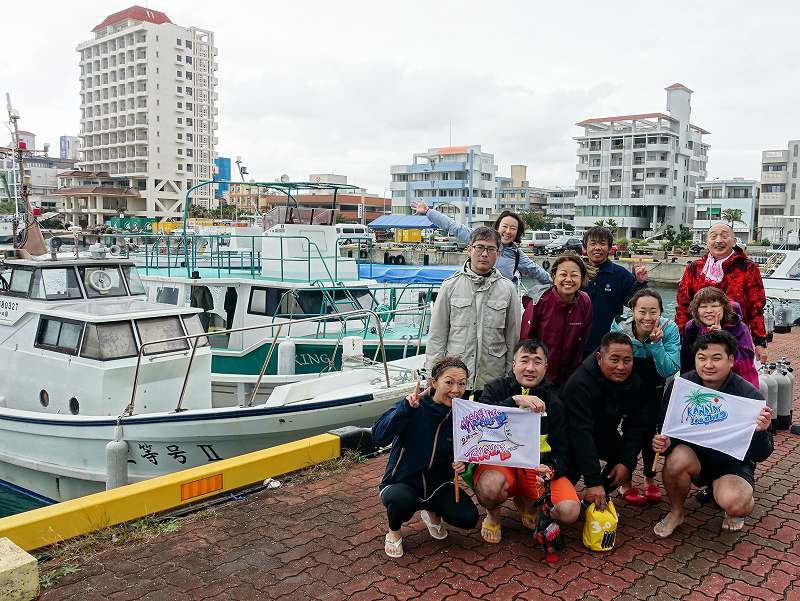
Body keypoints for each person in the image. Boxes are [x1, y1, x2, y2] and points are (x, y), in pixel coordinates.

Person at [652, 330, 773, 538]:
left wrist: (761, 432)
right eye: (702, 358)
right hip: (695, 458)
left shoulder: (749, 395)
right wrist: (664, 444)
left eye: (716, 358)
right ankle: (677, 512)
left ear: (731, 360)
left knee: (736, 503)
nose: (708, 365)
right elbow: (666, 429)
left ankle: (730, 497)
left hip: (731, 464)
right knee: (675, 459)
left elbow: (761, 454)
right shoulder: (681, 387)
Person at [472, 339, 580, 544]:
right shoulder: (495, 388)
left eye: (537, 362)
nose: (530, 368)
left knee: (569, 511)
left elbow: (563, 451)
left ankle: (530, 503)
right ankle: (493, 515)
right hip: (501, 464)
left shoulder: (555, 401)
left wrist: (551, 468)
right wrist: (512, 402)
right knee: (490, 488)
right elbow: (478, 423)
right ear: (513, 365)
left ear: (546, 367)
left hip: (534, 469)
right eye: (524, 361)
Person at [374, 357, 479, 558]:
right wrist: (403, 409)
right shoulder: (414, 406)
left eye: (462, 383)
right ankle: (393, 533)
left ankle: (431, 512)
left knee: (468, 518)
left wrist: (463, 462)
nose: (456, 389)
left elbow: (471, 446)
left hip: (438, 484)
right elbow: (378, 436)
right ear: (433, 382)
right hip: (402, 482)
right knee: (401, 501)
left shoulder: (464, 414)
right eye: (449, 382)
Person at [425, 227, 521, 397]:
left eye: (491, 249)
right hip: (456, 379)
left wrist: (510, 377)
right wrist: (433, 376)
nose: (484, 254)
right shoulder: (450, 286)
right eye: (479, 247)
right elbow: (437, 336)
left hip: (492, 379)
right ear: (469, 249)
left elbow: (512, 337)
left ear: (498, 253)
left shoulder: (508, 289)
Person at [562, 331, 648, 509]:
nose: (621, 367)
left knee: (625, 458)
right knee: (565, 496)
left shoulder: (636, 382)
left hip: (603, 432)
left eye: (627, 360)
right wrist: (592, 480)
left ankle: (593, 499)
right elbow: (580, 432)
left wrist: (626, 462)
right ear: (599, 357)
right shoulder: (579, 384)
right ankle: (563, 494)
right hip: (569, 437)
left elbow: (637, 426)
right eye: (614, 360)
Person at [610, 289, 680, 504]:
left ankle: (650, 478)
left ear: (660, 312)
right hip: (625, 383)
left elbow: (670, 368)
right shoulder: (620, 327)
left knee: (651, 431)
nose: (647, 318)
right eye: (642, 311)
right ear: (633, 310)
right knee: (626, 431)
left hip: (655, 384)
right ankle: (625, 481)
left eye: (653, 312)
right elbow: (612, 360)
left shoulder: (669, 329)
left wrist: (656, 344)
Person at [675, 223, 768, 363]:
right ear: (707, 242)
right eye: (713, 236)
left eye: (724, 236)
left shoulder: (748, 268)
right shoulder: (694, 268)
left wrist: (760, 342)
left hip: (735, 338)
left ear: (734, 241)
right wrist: (680, 338)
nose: (718, 240)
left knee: (734, 380)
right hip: (697, 340)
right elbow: (683, 306)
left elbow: (756, 307)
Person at [412, 199, 551, 285]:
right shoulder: (478, 237)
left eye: (513, 228)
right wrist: (428, 212)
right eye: (505, 227)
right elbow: (453, 226)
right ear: (497, 227)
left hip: (500, 305)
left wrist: (558, 284)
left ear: (517, 232)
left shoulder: (517, 255)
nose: (508, 231)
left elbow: (536, 271)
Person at [520, 252, 592, 387]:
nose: (568, 279)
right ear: (554, 276)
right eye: (563, 274)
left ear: (582, 278)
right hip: (539, 376)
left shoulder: (585, 301)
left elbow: (582, 341)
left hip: (569, 377)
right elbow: (526, 341)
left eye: (574, 275)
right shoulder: (539, 301)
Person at [582, 226, 649, 355]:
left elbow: (633, 303)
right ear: (585, 247)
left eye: (602, 244)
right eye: (593, 243)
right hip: (579, 343)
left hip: (610, 343)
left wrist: (640, 282)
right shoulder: (578, 272)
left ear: (610, 248)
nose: (597, 248)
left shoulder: (620, 274)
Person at [680, 286, 759, 389]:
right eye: (703, 306)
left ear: (724, 307)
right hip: (706, 387)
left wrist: (723, 338)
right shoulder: (692, 328)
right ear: (696, 311)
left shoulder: (740, 328)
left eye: (715, 306)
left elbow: (745, 364)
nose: (709, 310)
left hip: (738, 387)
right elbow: (687, 363)